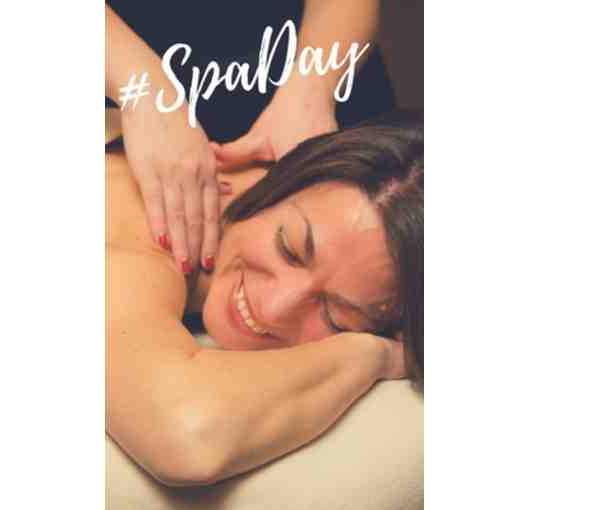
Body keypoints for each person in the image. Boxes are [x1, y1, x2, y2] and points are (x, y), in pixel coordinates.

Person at [106, 114, 423, 487]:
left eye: (335, 315)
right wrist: (375, 356)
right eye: (289, 248)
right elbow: (188, 434)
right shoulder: (142, 245)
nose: (274, 308)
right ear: (275, 183)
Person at [105, 1, 393, 280]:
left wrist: (313, 87)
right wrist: (143, 89)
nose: (278, 304)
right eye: (288, 250)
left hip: (314, 98)